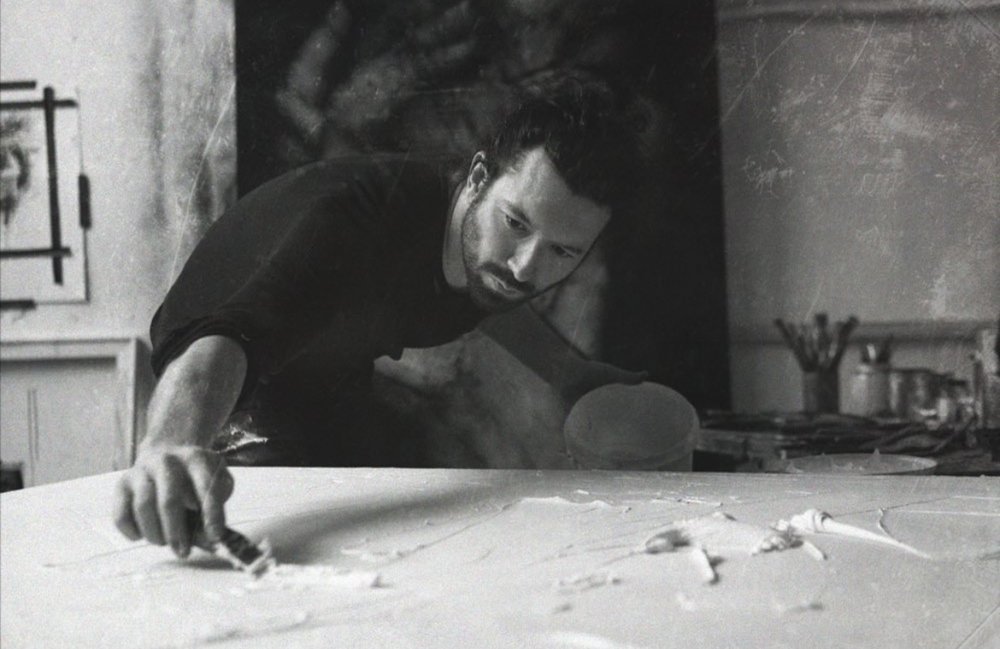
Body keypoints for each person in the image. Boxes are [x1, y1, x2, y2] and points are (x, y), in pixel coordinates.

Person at [112, 78, 644, 559]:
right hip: (222, 374)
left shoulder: (486, 253)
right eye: (516, 223)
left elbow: (489, 299)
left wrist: (568, 370)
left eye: (562, 252)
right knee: (259, 557)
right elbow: (230, 336)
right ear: (478, 178)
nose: (525, 267)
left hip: (331, 365)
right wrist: (170, 445)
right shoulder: (354, 225)